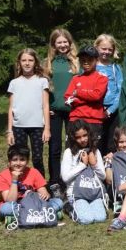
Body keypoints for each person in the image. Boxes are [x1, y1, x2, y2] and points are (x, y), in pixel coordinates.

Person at [0, 145, 64, 228]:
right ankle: (46, 214)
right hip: (15, 206)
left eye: (22, 160)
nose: (18, 163)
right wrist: (14, 180)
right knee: (6, 208)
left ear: (27, 161)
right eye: (15, 160)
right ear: (9, 162)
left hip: (32, 204)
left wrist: (44, 195)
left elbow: (45, 193)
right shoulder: (2, 176)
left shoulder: (33, 172)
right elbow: (10, 201)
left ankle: (19, 218)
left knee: (58, 202)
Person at [7, 48, 51, 178]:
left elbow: (45, 105)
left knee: (37, 158)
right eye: (24, 60)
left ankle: (41, 186)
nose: (27, 63)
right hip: (18, 127)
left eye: (30, 60)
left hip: (37, 127)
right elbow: (11, 108)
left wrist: (47, 128)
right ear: (19, 63)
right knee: (19, 159)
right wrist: (9, 131)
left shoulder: (42, 81)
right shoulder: (14, 83)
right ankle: (19, 185)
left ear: (35, 62)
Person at [45, 28, 79, 190]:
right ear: (54, 44)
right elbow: (42, 89)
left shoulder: (76, 62)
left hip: (74, 110)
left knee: (73, 146)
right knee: (55, 147)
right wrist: (44, 108)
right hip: (54, 111)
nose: (63, 44)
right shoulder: (48, 63)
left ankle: (72, 180)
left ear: (70, 42)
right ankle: (54, 181)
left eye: (65, 41)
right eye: (59, 42)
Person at [60, 120, 107, 224]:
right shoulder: (69, 152)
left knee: (100, 218)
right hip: (77, 194)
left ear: (89, 134)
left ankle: (86, 206)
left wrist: (94, 164)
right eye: (78, 137)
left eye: (85, 135)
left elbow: (103, 176)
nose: (82, 139)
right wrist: (82, 165)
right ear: (73, 138)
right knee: (87, 219)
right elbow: (65, 177)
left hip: (93, 192)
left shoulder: (95, 151)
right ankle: (69, 207)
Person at [65, 46, 109, 144]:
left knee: (93, 152)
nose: (86, 62)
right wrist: (87, 98)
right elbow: (68, 98)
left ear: (97, 60)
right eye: (83, 60)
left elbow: (97, 96)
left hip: (94, 121)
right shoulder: (75, 78)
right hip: (75, 119)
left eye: (90, 60)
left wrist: (78, 93)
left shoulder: (102, 78)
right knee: (72, 151)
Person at [95, 34, 124, 152]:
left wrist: (110, 110)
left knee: (111, 144)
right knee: (96, 142)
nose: (106, 52)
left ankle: (110, 169)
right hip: (95, 111)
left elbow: (120, 90)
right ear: (96, 47)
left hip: (112, 111)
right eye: (103, 48)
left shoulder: (115, 68)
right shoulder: (90, 66)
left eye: (109, 49)